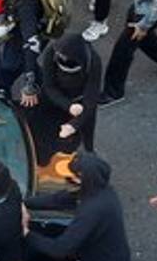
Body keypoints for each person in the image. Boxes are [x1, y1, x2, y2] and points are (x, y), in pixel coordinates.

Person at [23, 33, 100, 167]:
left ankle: (88, 161)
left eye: (63, 55)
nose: (59, 56)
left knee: (82, 140)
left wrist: (74, 125)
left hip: (80, 102)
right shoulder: (53, 52)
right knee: (42, 132)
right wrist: (68, 105)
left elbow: (91, 98)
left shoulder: (93, 61)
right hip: (55, 98)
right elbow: (49, 86)